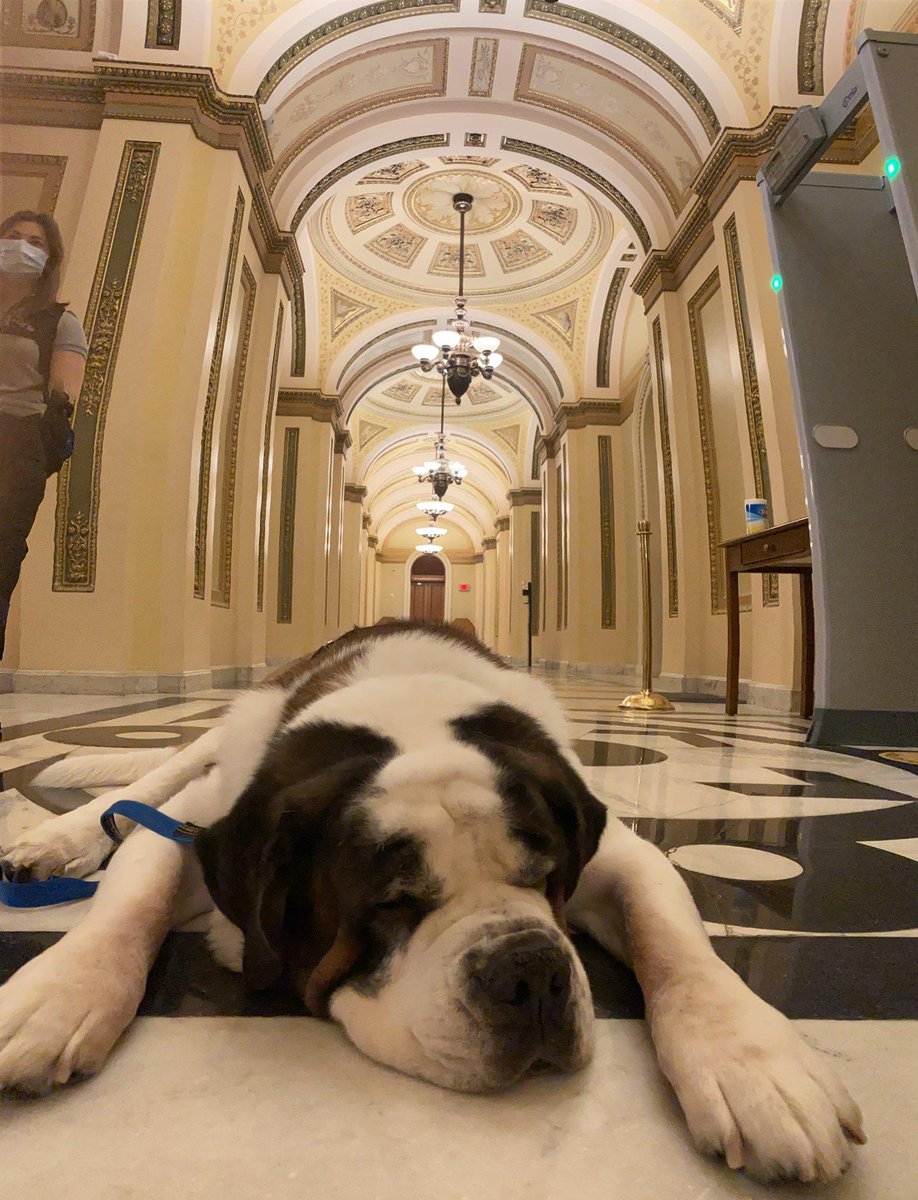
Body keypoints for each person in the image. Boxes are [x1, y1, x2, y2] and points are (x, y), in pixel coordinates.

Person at [0, 210, 87, 661]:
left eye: (35, 242)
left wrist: (34, 461)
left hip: (14, 446)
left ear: (49, 258)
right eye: (13, 237)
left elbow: (61, 406)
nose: (21, 246)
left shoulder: (59, 322)